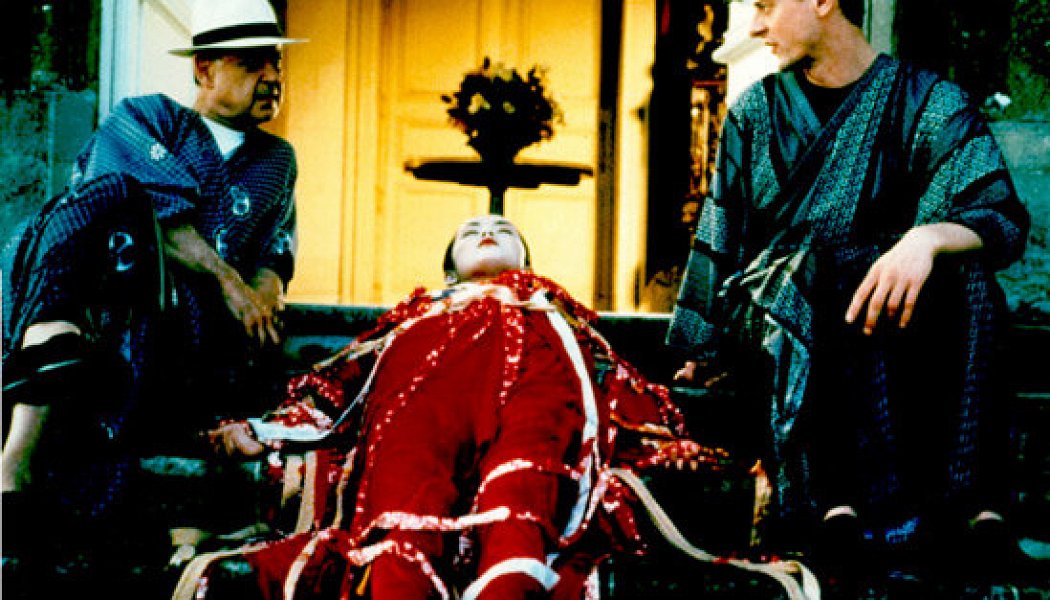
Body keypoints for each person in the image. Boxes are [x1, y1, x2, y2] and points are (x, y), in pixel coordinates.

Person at [167, 214, 796, 600]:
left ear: (528, 261)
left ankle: (510, 579)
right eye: (470, 232)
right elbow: (342, 380)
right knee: (405, 502)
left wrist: (665, 441)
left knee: (526, 495)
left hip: (537, 391)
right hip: (420, 402)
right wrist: (269, 428)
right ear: (448, 272)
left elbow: (611, 385)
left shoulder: (558, 318)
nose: (487, 231)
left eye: (502, 230)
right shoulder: (412, 320)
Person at [666, 0, 1032, 591]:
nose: (755, 26)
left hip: (887, 324)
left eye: (764, 6)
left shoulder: (927, 103)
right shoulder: (756, 113)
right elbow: (720, 232)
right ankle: (832, 510)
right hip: (780, 315)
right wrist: (698, 346)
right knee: (819, 267)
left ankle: (980, 515)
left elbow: (1000, 217)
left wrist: (927, 239)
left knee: (968, 277)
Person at [1, 0, 305, 592]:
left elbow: (277, 250)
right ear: (204, 70)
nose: (272, 76)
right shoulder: (147, 117)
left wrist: (265, 292)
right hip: (115, 311)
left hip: (194, 347)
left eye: (275, 62)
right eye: (252, 63)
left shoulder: (277, 161)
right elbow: (159, 219)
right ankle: (44, 363)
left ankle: (48, 354)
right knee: (112, 192)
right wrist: (230, 282)